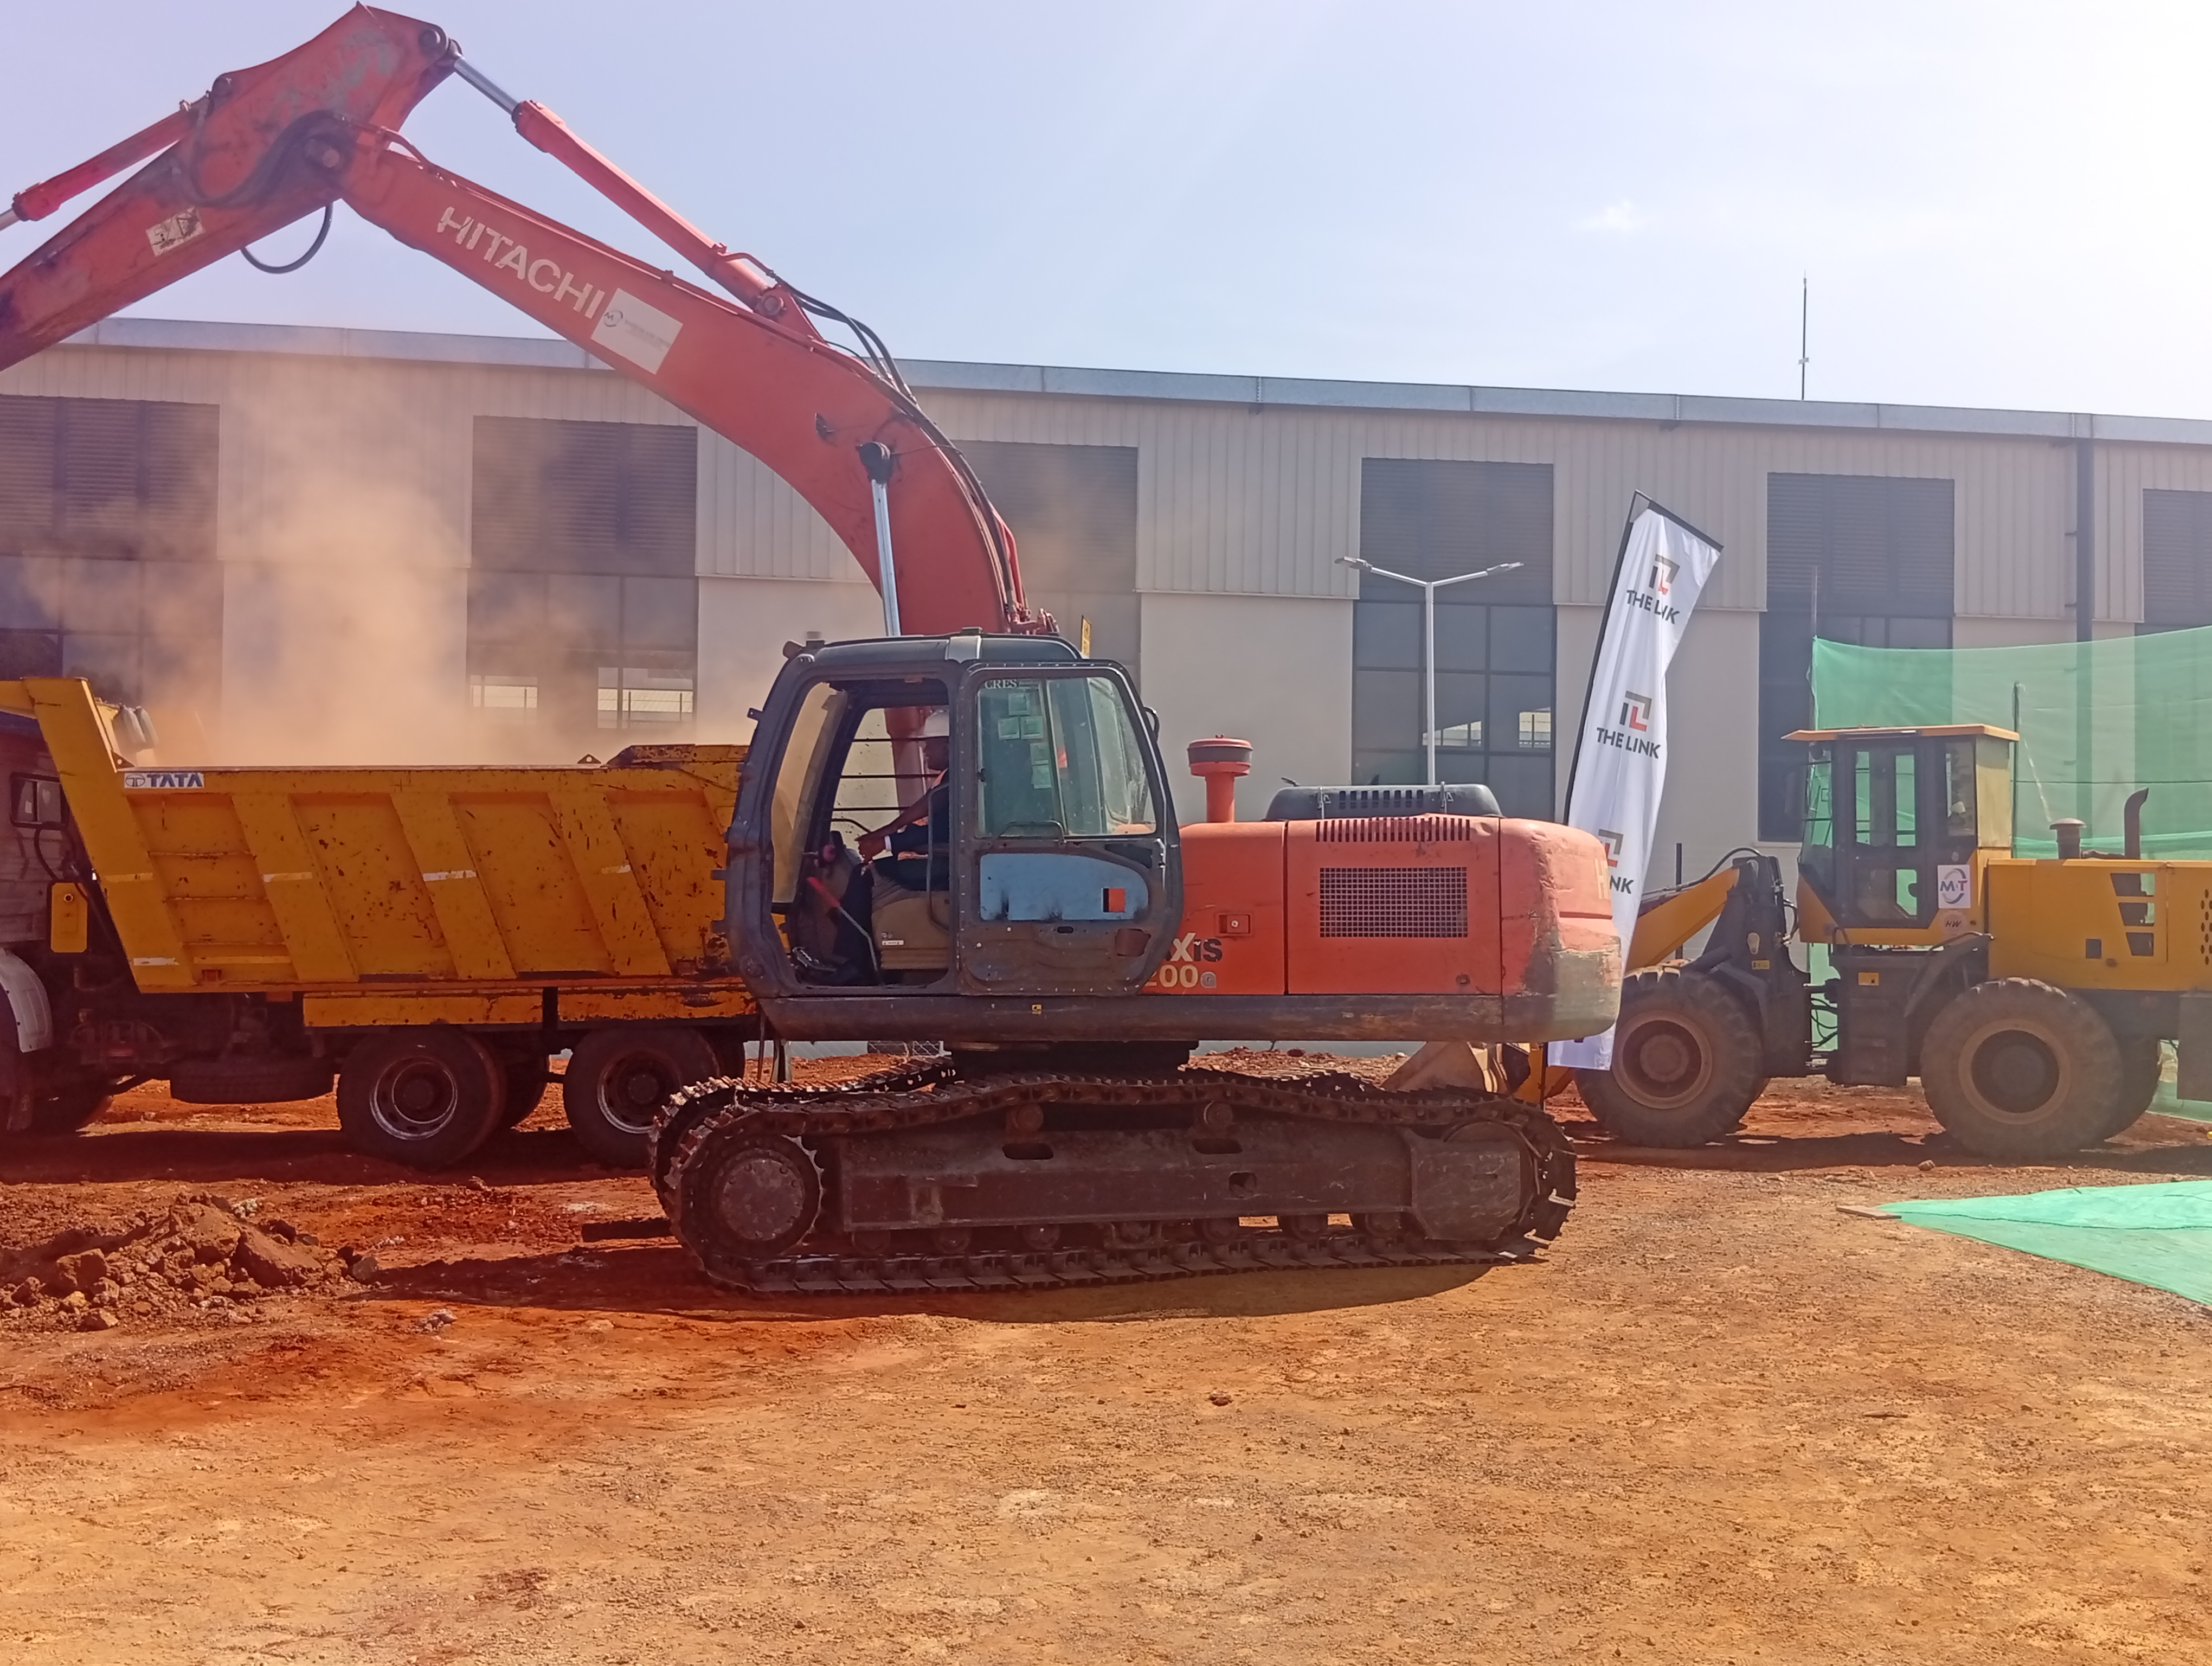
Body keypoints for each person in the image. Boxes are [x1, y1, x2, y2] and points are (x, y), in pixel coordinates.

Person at [858, 708, 950, 892]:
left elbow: (941, 829)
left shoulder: (957, 782)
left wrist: (886, 843)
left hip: (949, 864)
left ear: (947, 747)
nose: (925, 750)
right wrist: (886, 831)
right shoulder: (951, 777)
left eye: (929, 744)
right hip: (947, 858)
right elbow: (924, 807)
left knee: (864, 875)